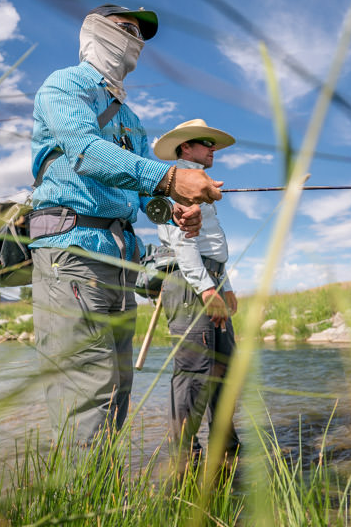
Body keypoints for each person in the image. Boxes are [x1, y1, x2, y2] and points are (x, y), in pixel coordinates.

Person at [28, 4, 223, 446]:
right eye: (126, 28)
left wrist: (172, 209)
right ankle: (75, 506)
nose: (135, 39)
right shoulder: (64, 85)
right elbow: (84, 150)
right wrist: (171, 178)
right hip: (71, 253)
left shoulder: (132, 119)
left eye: (141, 34)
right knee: (86, 391)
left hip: (119, 264)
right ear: (95, 31)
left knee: (116, 391)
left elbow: (140, 198)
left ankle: (99, 503)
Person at [153, 119, 240, 466]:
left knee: (224, 367)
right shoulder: (176, 183)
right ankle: (186, 456)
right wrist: (207, 288)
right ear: (185, 148)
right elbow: (181, 242)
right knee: (195, 371)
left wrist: (226, 285)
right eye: (206, 142)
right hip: (192, 285)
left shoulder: (200, 185)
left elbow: (212, 245)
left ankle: (225, 447)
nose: (212, 148)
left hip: (211, 279)